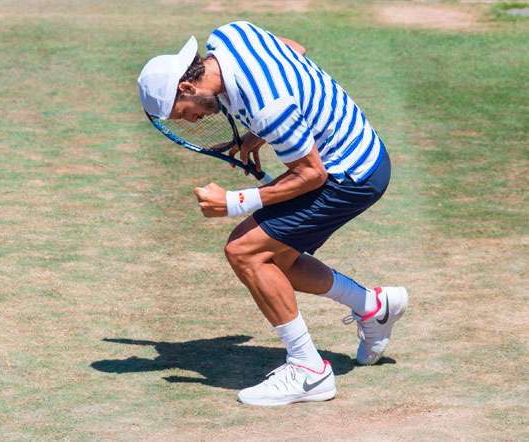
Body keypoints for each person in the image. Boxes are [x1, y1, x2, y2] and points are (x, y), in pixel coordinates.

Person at [137, 21, 408, 406]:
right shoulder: (231, 36)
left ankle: (309, 372)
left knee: (245, 251)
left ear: (187, 87)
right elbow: (292, 49)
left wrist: (233, 202)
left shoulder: (267, 107)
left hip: (351, 175)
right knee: (277, 263)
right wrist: (262, 133)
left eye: (180, 112)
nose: (186, 121)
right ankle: (374, 307)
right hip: (365, 149)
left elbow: (312, 175)